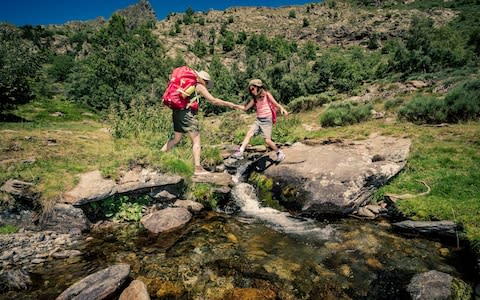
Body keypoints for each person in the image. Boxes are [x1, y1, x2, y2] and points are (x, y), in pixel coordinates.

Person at [161, 69, 241, 175]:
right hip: (187, 114)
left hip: (177, 112)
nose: (207, 85)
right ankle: (198, 168)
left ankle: (159, 155)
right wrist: (231, 104)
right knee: (196, 141)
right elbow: (213, 100)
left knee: (176, 139)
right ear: (203, 80)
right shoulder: (198, 86)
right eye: (207, 82)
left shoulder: (186, 84)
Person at [233, 79, 289, 162]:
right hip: (258, 120)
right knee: (249, 133)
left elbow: (275, 103)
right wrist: (234, 106)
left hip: (267, 120)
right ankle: (240, 152)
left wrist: (282, 108)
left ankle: (279, 152)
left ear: (258, 87)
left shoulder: (266, 94)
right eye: (250, 89)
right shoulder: (254, 99)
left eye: (253, 89)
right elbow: (246, 108)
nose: (251, 91)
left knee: (267, 140)